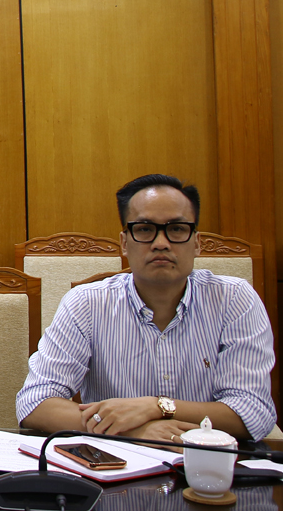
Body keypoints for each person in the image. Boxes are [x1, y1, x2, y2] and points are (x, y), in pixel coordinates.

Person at [16, 174, 275, 441]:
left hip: (206, 458)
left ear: (197, 243)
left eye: (177, 229)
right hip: (115, 458)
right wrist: (136, 430)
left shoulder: (234, 299)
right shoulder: (87, 303)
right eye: (144, 229)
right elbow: (36, 402)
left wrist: (157, 407)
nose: (161, 243)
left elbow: (253, 412)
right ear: (124, 243)